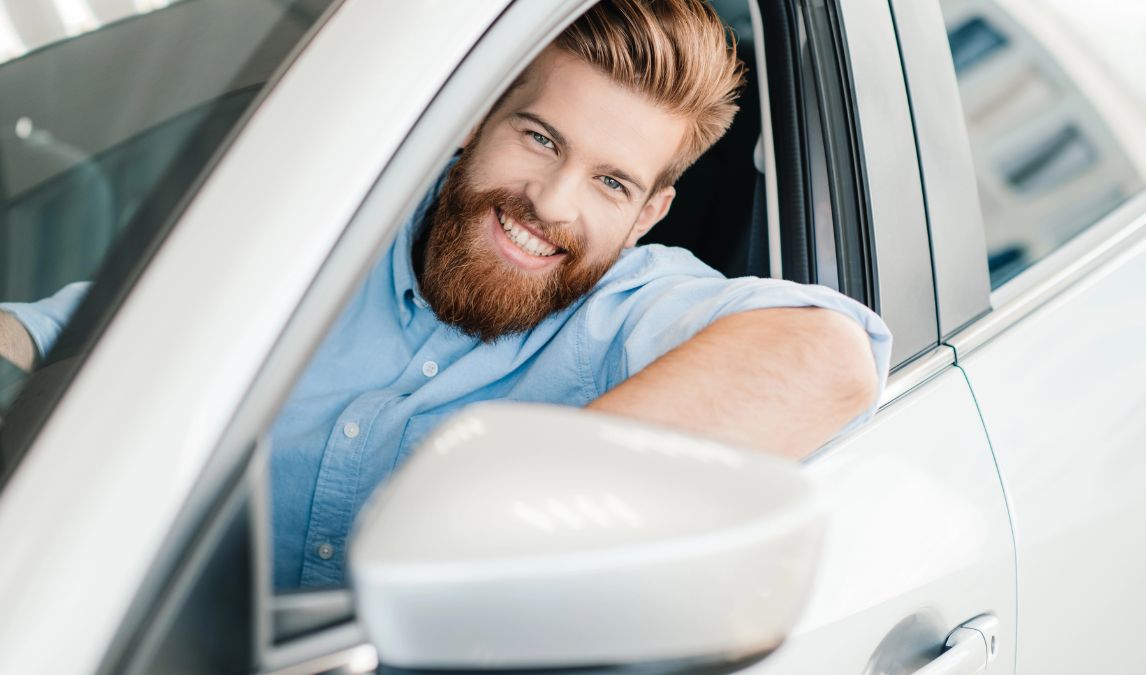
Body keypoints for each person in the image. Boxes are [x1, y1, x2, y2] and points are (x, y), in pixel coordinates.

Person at [0, 0, 891, 589]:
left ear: (650, 214)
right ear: (473, 119)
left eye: (611, 184)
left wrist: (487, 509)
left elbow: (828, 357)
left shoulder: (634, 312)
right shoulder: (310, 234)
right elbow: (41, 343)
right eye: (540, 137)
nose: (552, 203)